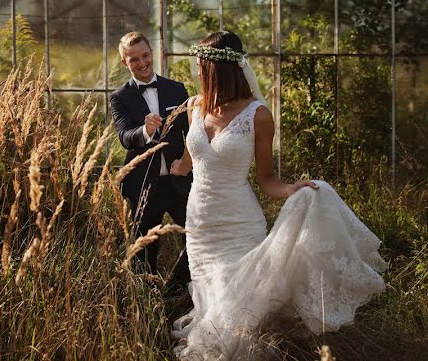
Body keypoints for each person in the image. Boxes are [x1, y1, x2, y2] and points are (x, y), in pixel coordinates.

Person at [169, 31, 386, 359]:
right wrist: (168, 167)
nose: (197, 72)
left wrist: (292, 189)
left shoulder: (257, 115)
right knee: (212, 301)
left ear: (220, 70)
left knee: (236, 309)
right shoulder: (194, 107)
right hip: (199, 227)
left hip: (240, 224)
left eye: (202, 67)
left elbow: (267, 179)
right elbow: (191, 160)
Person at [110, 31, 192, 292]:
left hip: (180, 181)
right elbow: (125, 136)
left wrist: (188, 165)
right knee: (145, 253)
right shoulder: (119, 97)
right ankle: (149, 303)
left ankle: (177, 291)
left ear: (152, 53)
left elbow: (192, 134)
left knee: (196, 240)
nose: (142, 63)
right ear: (125, 63)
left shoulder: (176, 89)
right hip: (143, 186)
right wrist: (144, 130)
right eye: (134, 59)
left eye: (145, 55)